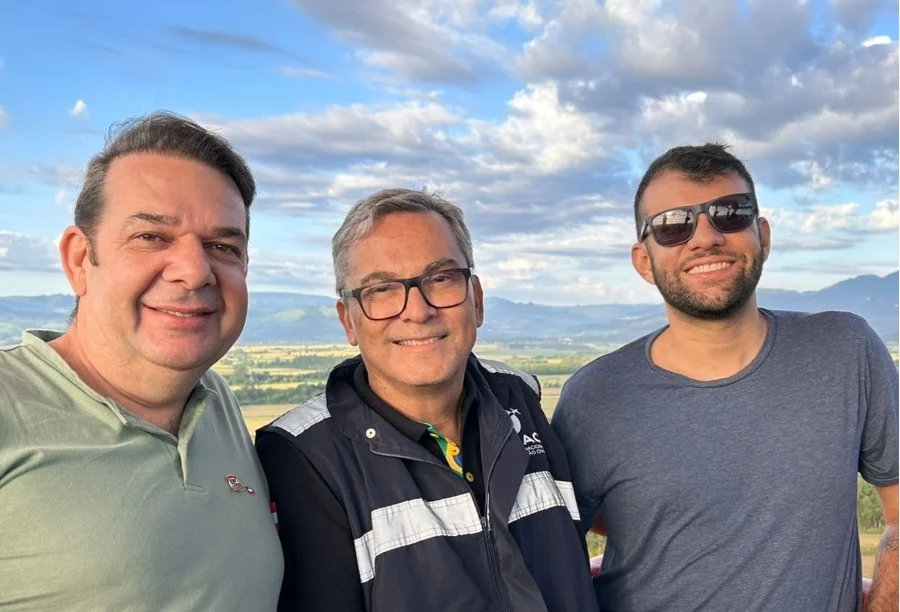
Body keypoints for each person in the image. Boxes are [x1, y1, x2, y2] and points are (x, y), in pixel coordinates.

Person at [551, 143, 899, 612]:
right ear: (642, 261)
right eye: (673, 225)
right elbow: (556, 543)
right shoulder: (593, 397)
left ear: (764, 236)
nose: (705, 238)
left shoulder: (845, 350)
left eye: (730, 213)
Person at [255, 188, 598, 612]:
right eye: (380, 289)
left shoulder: (519, 398)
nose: (417, 311)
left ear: (477, 299)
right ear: (348, 321)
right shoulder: (304, 457)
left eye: (440, 278)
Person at [0, 112, 284, 611]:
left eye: (222, 246)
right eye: (151, 236)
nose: (195, 271)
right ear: (78, 259)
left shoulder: (216, 402)